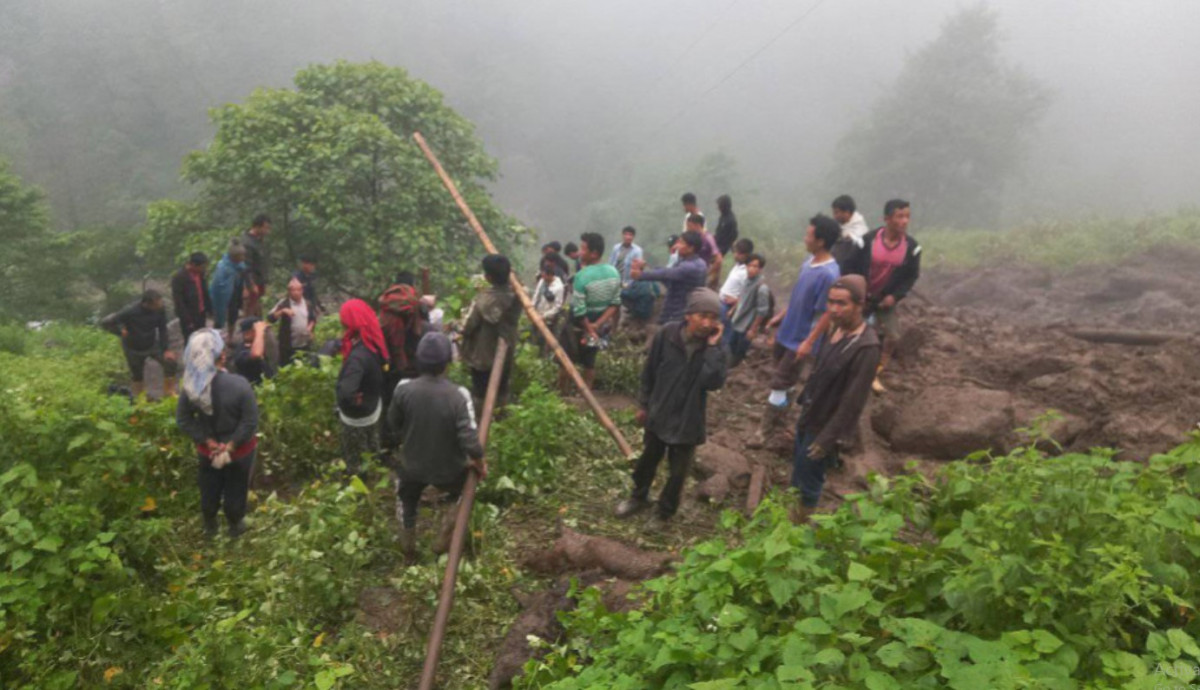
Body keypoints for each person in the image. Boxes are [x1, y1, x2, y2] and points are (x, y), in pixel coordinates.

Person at [615, 288, 728, 525]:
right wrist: (644, 404)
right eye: (703, 316)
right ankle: (638, 497)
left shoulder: (713, 349)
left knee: (678, 473)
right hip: (660, 411)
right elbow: (650, 371)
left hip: (688, 419)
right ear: (689, 315)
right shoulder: (667, 334)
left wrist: (713, 347)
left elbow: (713, 382)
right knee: (647, 461)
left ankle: (664, 512)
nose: (708, 323)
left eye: (713, 318)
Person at [388, 332, 486, 562]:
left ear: (418, 360)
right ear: (447, 363)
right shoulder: (459, 395)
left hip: (412, 465)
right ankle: (443, 538)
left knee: (405, 499)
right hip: (449, 468)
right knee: (462, 493)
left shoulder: (403, 389)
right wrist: (480, 463)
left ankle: (408, 548)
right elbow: (470, 440)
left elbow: (393, 424)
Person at [790, 275, 880, 524]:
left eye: (842, 304)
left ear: (859, 305)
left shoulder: (866, 348)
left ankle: (798, 531)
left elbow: (853, 402)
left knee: (809, 481)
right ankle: (788, 522)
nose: (833, 309)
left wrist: (828, 439)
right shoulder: (835, 329)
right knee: (797, 473)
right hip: (810, 414)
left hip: (825, 425)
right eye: (830, 302)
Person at [750, 215, 842, 452]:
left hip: (800, 339)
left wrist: (809, 342)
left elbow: (826, 313)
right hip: (786, 331)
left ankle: (764, 431)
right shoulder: (808, 262)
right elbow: (799, 296)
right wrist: (782, 314)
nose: (805, 237)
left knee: (780, 382)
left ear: (820, 241)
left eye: (808, 234)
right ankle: (781, 418)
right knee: (785, 381)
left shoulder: (829, 274)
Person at [176, 329, 259, 539]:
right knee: (236, 487)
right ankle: (235, 527)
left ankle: (210, 527)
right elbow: (249, 422)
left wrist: (208, 441)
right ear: (221, 356)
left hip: (208, 451)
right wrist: (231, 445)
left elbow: (184, 420)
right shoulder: (239, 385)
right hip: (238, 452)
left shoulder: (191, 388)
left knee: (209, 485)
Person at [842, 199, 921, 392]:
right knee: (849, 331)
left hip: (885, 299)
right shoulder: (867, 241)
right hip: (861, 296)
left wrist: (894, 296)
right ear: (887, 218)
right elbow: (849, 265)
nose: (904, 221)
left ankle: (874, 372)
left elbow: (911, 276)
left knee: (892, 336)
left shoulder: (912, 248)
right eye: (899, 216)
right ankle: (843, 366)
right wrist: (856, 290)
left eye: (907, 217)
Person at [560, 233, 621, 392]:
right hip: (597, 325)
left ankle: (562, 394)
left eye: (583, 249)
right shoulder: (613, 272)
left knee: (566, 359)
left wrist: (589, 328)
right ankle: (586, 396)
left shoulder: (582, 276)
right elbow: (615, 304)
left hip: (577, 326)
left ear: (594, 253)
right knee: (589, 360)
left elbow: (580, 311)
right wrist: (596, 326)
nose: (580, 252)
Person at [460, 254, 521, 409]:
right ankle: (500, 420)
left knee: (480, 393)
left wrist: (454, 325)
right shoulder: (517, 296)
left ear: (488, 276)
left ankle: (481, 423)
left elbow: (467, 327)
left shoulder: (483, 300)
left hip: (483, 355)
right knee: (501, 390)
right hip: (505, 352)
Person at [337, 299, 389, 477]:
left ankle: (357, 480)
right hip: (372, 406)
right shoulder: (372, 341)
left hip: (358, 414)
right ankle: (375, 471)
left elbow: (346, 392)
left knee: (355, 454)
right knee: (371, 444)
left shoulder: (357, 357)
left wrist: (350, 400)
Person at [100, 289, 178, 398]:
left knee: (170, 363)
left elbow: (162, 329)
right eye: (157, 304)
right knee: (137, 375)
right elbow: (108, 322)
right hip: (133, 347)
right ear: (147, 303)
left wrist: (166, 349)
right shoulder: (130, 311)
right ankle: (139, 399)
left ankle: (169, 392)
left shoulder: (160, 310)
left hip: (151, 343)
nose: (160, 305)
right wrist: (120, 331)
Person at [631, 231, 707, 326]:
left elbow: (666, 274)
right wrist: (646, 266)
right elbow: (668, 276)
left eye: (681, 243)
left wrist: (641, 275)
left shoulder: (690, 267)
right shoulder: (697, 262)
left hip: (678, 313)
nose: (677, 245)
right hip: (676, 310)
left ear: (691, 248)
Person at [379, 272, 428, 392]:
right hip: (413, 361)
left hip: (388, 359)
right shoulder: (416, 301)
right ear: (412, 285)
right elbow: (421, 331)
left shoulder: (387, 301)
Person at [728, 253, 772, 366]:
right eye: (750, 265)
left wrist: (753, 329)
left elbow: (762, 311)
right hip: (737, 321)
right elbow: (741, 297)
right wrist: (733, 309)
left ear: (760, 269)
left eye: (755, 266)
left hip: (746, 326)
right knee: (730, 347)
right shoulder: (746, 280)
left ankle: (734, 373)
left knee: (738, 353)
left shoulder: (762, 287)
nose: (751, 269)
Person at [267, 277, 316, 366]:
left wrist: (310, 329)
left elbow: (312, 319)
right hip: (287, 345)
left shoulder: (307, 304)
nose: (296, 292)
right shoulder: (284, 303)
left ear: (302, 291)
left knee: (304, 366)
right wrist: (282, 311)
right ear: (289, 292)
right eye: (293, 290)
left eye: (298, 290)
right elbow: (270, 318)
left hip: (304, 344)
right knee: (287, 366)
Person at [171, 252, 211, 345]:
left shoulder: (201, 274)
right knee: (190, 341)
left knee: (201, 338)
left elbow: (204, 291)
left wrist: (209, 308)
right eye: (201, 267)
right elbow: (179, 302)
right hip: (189, 315)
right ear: (193, 265)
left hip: (201, 312)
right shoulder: (179, 278)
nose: (203, 269)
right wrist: (187, 320)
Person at [210, 239, 247, 339]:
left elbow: (243, 277)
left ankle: (230, 337)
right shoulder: (223, 266)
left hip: (235, 292)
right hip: (222, 294)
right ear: (234, 256)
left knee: (233, 314)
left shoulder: (240, 266)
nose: (243, 258)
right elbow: (219, 284)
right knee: (219, 317)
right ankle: (216, 338)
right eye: (241, 256)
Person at [718, 238, 755, 333]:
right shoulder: (738, 266)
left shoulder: (747, 272)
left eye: (738, 253)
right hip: (721, 303)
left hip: (728, 307)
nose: (735, 255)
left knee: (725, 333)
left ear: (746, 254)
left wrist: (735, 303)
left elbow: (749, 294)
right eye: (735, 252)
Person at [531, 258, 566, 352]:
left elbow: (557, 306)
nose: (543, 278)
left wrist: (544, 316)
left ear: (550, 275)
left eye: (545, 276)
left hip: (548, 317)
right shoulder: (542, 281)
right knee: (533, 336)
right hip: (536, 313)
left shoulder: (559, 287)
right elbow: (536, 294)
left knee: (544, 339)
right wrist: (532, 307)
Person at [241, 214, 272, 317]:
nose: (267, 231)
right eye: (265, 228)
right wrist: (250, 284)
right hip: (252, 283)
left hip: (260, 281)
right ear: (257, 226)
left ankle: (258, 328)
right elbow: (246, 266)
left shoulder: (260, 241)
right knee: (250, 309)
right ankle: (248, 331)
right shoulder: (247, 243)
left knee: (258, 308)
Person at [830, 195, 870, 270]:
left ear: (847, 212)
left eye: (836, 212)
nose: (834, 216)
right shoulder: (838, 226)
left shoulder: (860, 229)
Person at [232, 317, 274, 385]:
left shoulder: (258, 346)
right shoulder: (242, 351)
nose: (264, 333)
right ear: (247, 334)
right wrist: (259, 332)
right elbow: (256, 354)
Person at [686, 213, 723, 287]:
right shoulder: (694, 237)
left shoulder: (708, 238)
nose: (688, 229)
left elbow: (719, 259)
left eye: (690, 226)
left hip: (702, 274)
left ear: (697, 225)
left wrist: (708, 273)